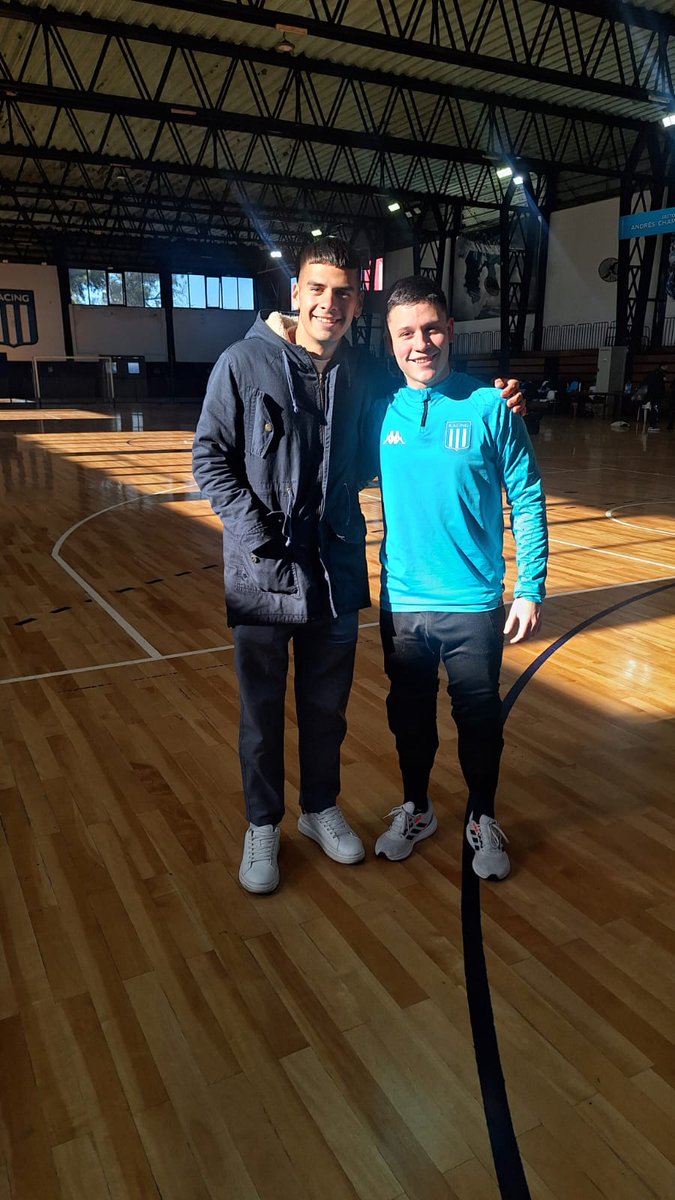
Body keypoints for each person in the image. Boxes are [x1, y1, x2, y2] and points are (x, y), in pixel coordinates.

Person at [193, 240, 525, 894]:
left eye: (343, 293)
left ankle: (319, 809)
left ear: (355, 304)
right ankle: (262, 825)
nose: (329, 303)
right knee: (262, 717)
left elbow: (425, 377)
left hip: (336, 572)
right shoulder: (241, 362)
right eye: (318, 289)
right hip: (262, 576)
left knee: (326, 710)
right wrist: (262, 533)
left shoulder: (363, 370)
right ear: (296, 292)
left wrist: (497, 396)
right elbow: (209, 460)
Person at [371, 276, 548, 880]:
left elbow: (526, 496)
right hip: (400, 603)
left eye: (431, 328)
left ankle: (482, 815)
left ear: (451, 330)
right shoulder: (379, 409)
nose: (421, 343)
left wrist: (530, 587)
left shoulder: (490, 405)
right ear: (390, 342)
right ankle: (417, 808)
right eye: (406, 333)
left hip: (473, 602)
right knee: (409, 717)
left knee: (477, 719)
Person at [643, 363, 667, 432]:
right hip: (656, 395)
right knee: (655, 409)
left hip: (653, 395)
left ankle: (652, 425)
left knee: (654, 409)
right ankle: (653, 426)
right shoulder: (658, 375)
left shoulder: (654, 374)